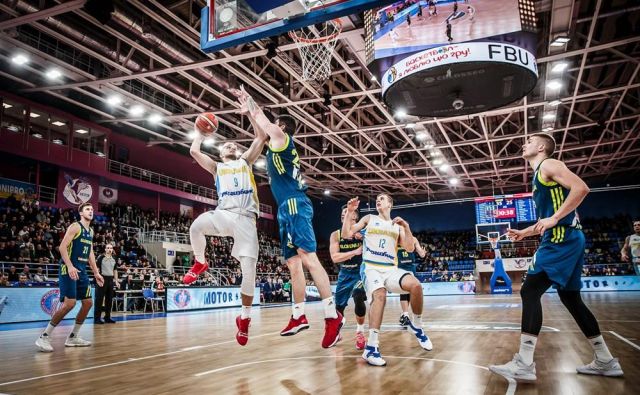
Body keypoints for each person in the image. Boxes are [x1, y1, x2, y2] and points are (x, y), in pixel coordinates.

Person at [489, 134, 623, 380]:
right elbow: (548, 219)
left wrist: (554, 218)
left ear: (541, 147)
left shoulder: (548, 164)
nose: (524, 144)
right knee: (571, 299)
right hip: (569, 237)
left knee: (529, 291)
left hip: (561, 238)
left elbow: (581, 188)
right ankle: (605, 360)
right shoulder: (540, 174)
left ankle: (524, 363)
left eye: (529, 141)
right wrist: (525, 232)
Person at [232, 87, 343, 349]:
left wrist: (249, 100)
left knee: (309, 258)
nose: (271, 129)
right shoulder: (273, 146)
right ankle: (298, 314)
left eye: (275, 125)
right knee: (293, 264)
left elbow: (265, 124)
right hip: (285, 208)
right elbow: (259, 132)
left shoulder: (282, 139)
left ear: (281, 126)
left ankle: (332, 316)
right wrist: (248, 112)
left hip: (295, 203)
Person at [181, 111, 266, 346]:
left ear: (237, 152)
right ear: (220, 153)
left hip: (247, 220)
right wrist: (199, 133)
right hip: (224, 214)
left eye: (232, 145)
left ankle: (245, 319)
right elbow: (194, 151)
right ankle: (200, 262)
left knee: (249, 272)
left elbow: (260, 136)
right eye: (225, 145)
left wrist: (250, 112)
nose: (230, 145)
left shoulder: (245, 161)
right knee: (196, 227)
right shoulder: (217, 168)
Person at [342, 194, 433, 366]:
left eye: (382, 198)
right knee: (380, 295)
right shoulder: (369, 218)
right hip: (370, 267)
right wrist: (350, 212)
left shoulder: (397, 226)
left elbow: (409, 247)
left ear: (390, 204)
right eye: (377, 198)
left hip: (390, 269)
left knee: (416, 286)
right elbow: (347, 233)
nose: (378, 200)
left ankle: (418, 326)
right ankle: (371, 347)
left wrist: (406, 227)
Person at [35, 203, 104, 352]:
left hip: (82, 270)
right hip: (68, 268)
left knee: (88, 303)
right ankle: (44, 336)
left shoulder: (90, 231)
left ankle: (73, 337)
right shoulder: (75, 226)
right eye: (87, 209)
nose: (91, 211)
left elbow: (90, 252)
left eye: (92, 210)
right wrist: (70, 266)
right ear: (81, 213)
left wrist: (96, 272)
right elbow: (62, 247)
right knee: (70, 304)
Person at [330, 207, 366, 350]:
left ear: (355, 218)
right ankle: (336, 333)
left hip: (361, 271)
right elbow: (335, 257)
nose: (343, 216)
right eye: (342, 214)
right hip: (345, 273)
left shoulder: (364, 233)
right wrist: (355, 252)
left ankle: (360, 333)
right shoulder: (335, 235)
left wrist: (364, 237)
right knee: (338, 307)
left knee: (358, 295)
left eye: (347, 214)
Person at [398, 237, 427, 326]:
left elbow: (422, 255)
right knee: (405, 291)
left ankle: (406, 315)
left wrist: (422, 252)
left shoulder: (411, 239)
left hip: (407, 267)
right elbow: (422, 255)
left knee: (407, 291)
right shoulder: (411, 239)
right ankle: (405, 314)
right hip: (403, 267)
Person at [94, 243, 119, 324]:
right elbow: (96, 269)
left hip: (110, 279)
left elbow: (115, 270)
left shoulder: (114, 258)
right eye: (108, 248)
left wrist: (116, 281)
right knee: (99, 299)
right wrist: (97, 278)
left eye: (111, 248)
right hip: (102, 279)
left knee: (109, 300)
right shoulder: (101, 257)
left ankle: (107, 317)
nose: (109, 249)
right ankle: (97, 318)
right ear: (105, 249)